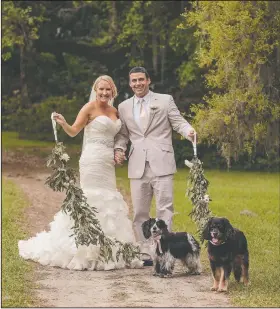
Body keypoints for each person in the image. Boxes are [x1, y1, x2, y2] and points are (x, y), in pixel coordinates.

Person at [18, 75, 143, 270]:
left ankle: (108, 249)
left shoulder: (115, 111)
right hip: (92, 160)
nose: (104, 93)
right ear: (95, 90)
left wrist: (119, 152)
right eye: (100, 89)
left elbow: (120, 136)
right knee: (91, 198)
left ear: (113, 91)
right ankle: (85, 248)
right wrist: (63, 123)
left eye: (107, 90)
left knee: (108, 200)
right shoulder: (88, 108)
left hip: (107, 163)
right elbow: (74, 131)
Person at [114, 67, 196, 260]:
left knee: (164, 208)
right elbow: (123, 135)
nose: (137, 84)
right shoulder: (124, 106)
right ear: (129, 83)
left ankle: (164, 250)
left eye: (141, 80)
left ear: (148, 80)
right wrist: (119, 149)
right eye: (133, 81)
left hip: (162, 161)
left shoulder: (165, 100)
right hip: (137, 164)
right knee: (140, 211)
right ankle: (145, 251)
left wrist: (189, 131)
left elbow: (178, 122)